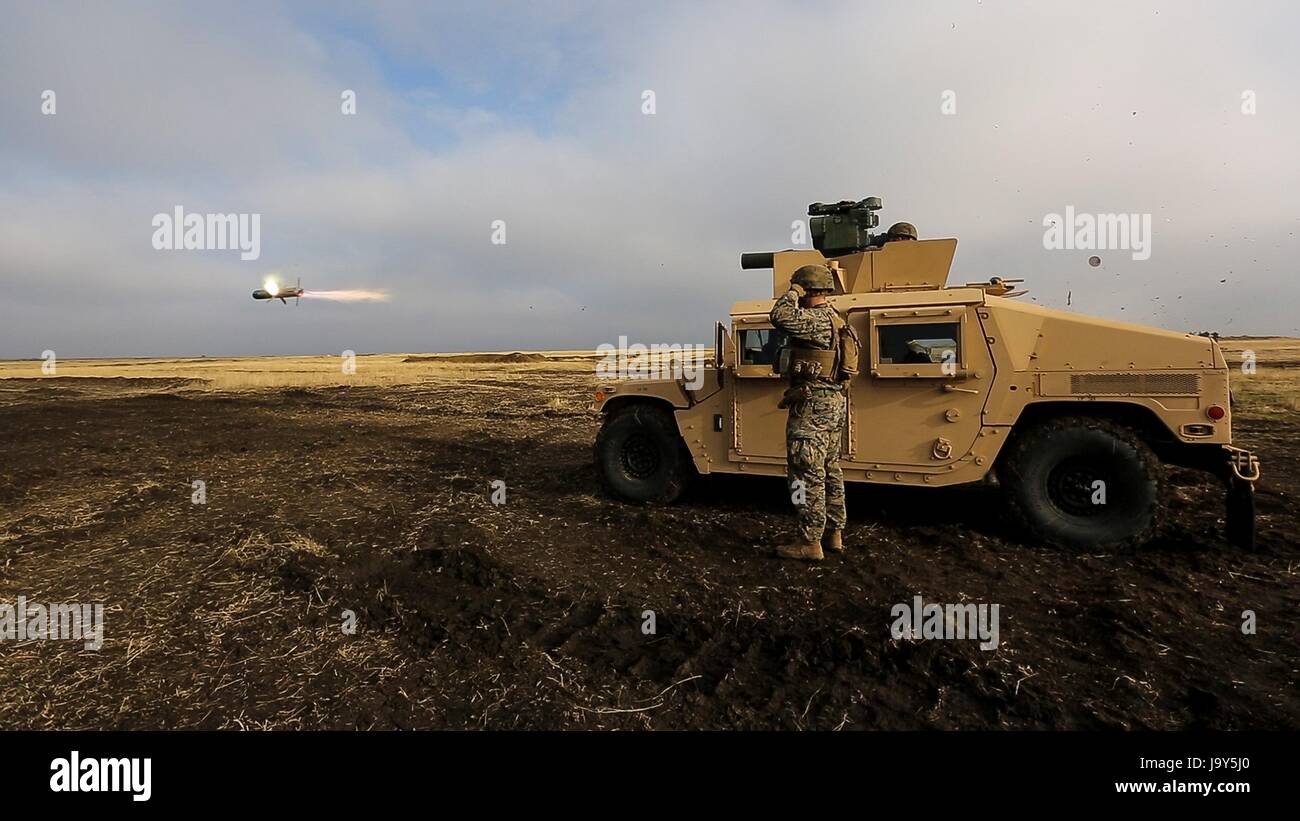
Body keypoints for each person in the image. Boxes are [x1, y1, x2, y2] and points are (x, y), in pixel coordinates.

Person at [768, 264, 849, 561]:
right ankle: (833, 532)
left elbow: (779, 316)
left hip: (812, 404)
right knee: (830, 468)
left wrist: (792, 291)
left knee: (805, 471)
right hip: (832, 402)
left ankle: (809, 541)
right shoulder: (836, 319)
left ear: (808, 289)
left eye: (801, 289)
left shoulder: (815, 319)